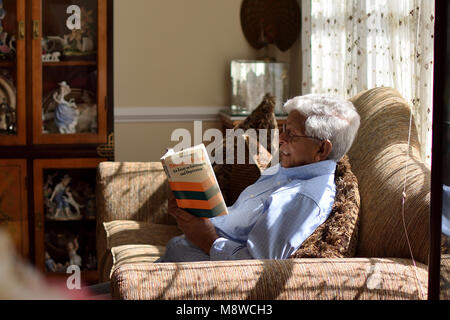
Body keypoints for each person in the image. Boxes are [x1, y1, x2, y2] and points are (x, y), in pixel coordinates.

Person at [158, 94, 361, 262]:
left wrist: (206, 238)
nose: (280, 139)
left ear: (322, 148)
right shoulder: (286, 169)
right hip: (178, 254)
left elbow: (258, 269)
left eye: (291, 134)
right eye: (283, 129)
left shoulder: (301, 198)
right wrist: (191, 212)